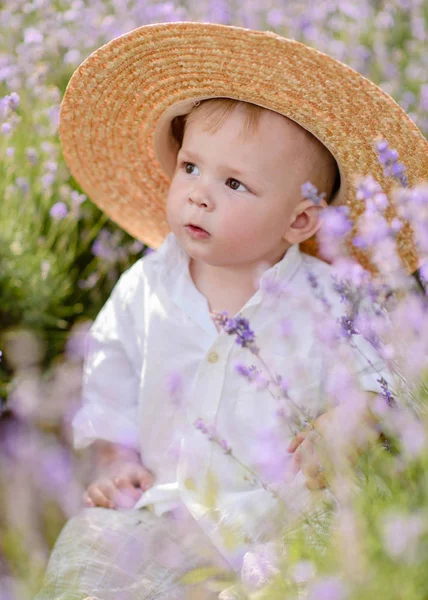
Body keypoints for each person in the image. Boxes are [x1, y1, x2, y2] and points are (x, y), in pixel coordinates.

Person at [35, 21, 428, 600]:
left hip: (279, 526)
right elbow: (109, 374)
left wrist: (343, 423)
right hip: (166, 512)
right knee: (93, 548)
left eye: (235, 184)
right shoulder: (145, 287)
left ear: (299, 221)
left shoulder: (328, 298)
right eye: (191, 167)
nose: (198, 192)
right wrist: (115, 461)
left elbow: (379, 382)